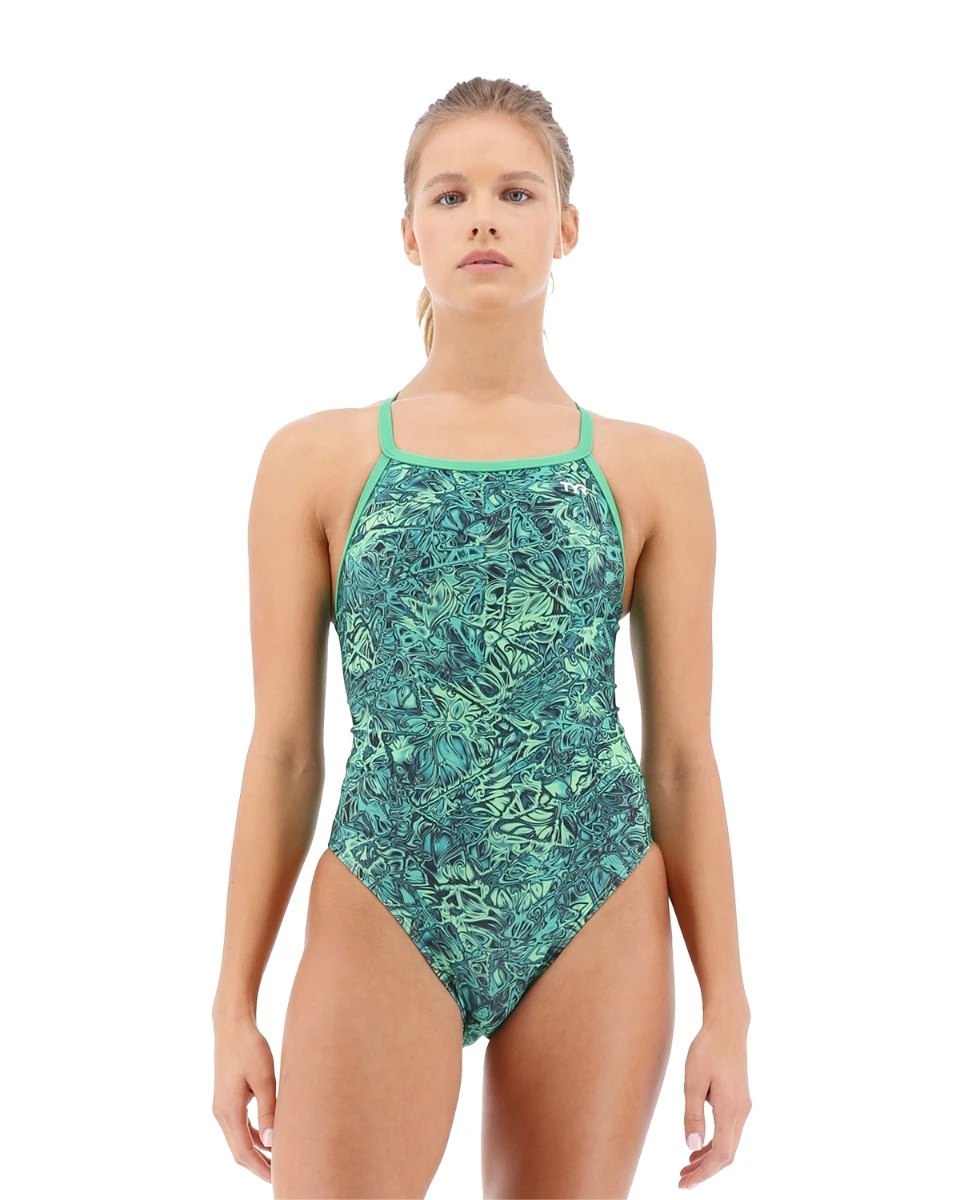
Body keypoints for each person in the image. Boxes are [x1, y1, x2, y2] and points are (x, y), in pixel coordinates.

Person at [212, 75, 751, 1198]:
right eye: (450, 196)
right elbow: (286, 751)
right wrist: (232, 1003)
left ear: (567, 226)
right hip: (386, 884)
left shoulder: (655, 471)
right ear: (409, 234)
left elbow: (682, 758)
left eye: (517, 191)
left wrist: (729, 1009)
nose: (483, 219)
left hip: (594, 888)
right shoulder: (317, 461)